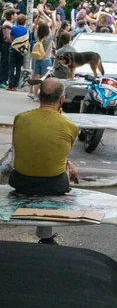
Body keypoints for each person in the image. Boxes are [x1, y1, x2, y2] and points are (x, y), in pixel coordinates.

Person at [10, 79, 79, 244]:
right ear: (62, 99)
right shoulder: (70, 126)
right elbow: (56, 152)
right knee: (53, 173)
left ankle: (46, 236)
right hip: (55, 185)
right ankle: (46, 238)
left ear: (39, 95)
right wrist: (69, 165)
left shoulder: (20, 118)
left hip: (20, 182)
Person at [6, 14, 28, 91]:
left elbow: (11, 37)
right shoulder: (27, 30)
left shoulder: (14, 28)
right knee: (18, 68)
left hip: (13, 49)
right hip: (21, 51)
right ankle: (15, 86)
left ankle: (10, 85)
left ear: (17, 21)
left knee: (11, 67)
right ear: (25, 21)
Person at [0, 9, 17, 89]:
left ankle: (4, 79)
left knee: (7, 62)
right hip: (6, 45)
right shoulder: (7, 24)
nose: (16, 15)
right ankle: (2, 80)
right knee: (5, 63)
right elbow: (8, 37)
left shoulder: (10, 23)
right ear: (12, 15)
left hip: (8, 45)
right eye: (15, 14)